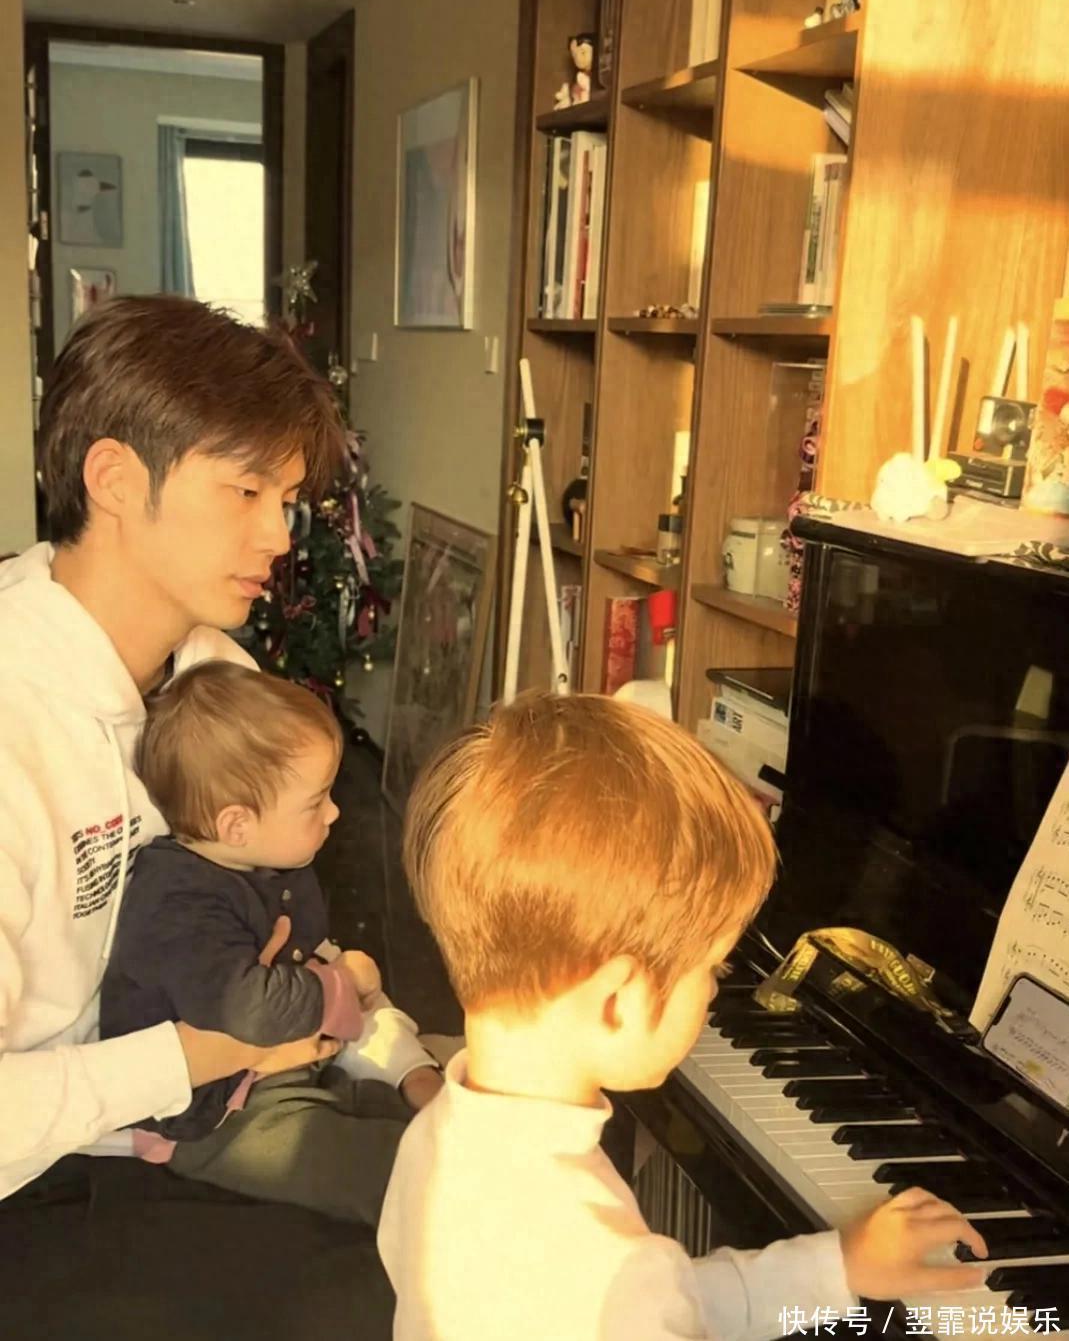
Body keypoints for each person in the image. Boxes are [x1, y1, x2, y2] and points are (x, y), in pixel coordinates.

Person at [0, 295, 396, 1335]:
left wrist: (382, 1040)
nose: (279, 532)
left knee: (467, 1207)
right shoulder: (11, 720)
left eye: (288, 496)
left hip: (201, 1116)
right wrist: (201, 1051)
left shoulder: (213, 669)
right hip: (41, 1179)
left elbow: (272, 922)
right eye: (246, 489)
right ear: (114, 480)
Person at [378, 693, 990, 1341]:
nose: (715, 990)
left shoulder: (437, 1139)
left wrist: (836, 1266)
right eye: (715, 968)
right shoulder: (604, 1276)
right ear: (618, 1001)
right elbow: (639, 1297)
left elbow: (662, 1295)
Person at [100, 659, 442, 1219]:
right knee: (385, 1168)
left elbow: (308, 961)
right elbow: (250, 1006)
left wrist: (407, 1065)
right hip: (213, 1117)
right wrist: (340, 984)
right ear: (236, 824)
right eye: (315, 802)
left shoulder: (269, 864)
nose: (335, 812)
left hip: (280, 1075)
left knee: (404, 1117)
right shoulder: (177, 903)